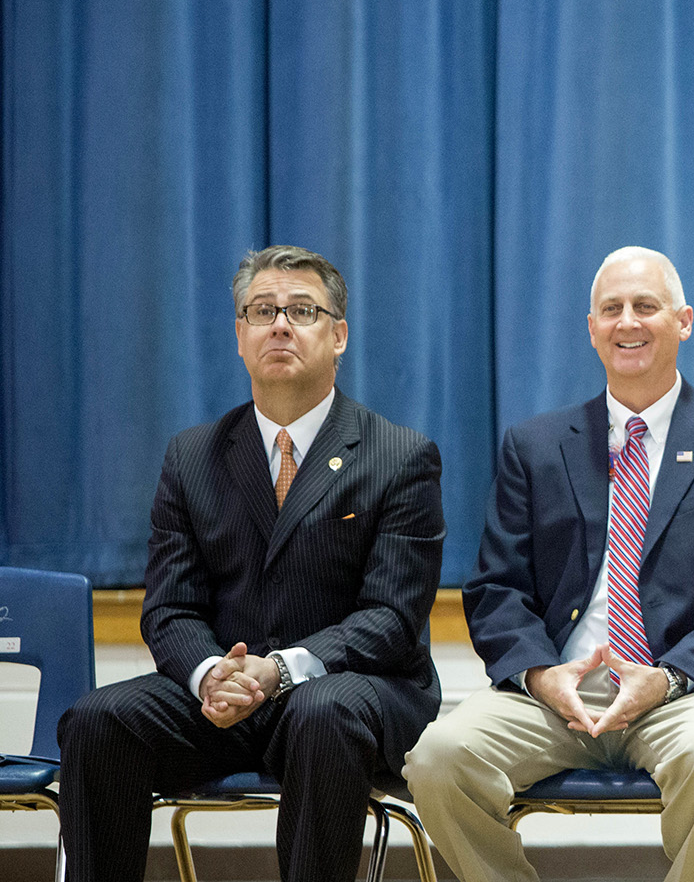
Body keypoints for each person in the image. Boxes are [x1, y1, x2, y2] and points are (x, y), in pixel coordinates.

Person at [404, 246, 694, 882]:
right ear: (591, 328)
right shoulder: (534, 446)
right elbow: (495, 589)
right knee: (437, 758)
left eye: (646, 306)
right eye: (612, 309)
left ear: (683, 320)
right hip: (559, 691)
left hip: (692, 690)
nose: (628, 322)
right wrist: (541, 676)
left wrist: (672, 677)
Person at [58, 245, 445, 882]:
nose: (280, 325)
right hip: (227, 697)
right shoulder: (193, 456)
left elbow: (392, 618)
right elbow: (171, 608)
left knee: (323, 713)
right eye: (262, 311)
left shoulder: (399, 456)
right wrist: (211, 675)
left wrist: (279, 672)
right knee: (98, 722)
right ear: (240, 335)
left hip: (353, 690)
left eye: (303, 311)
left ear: (339, 335)